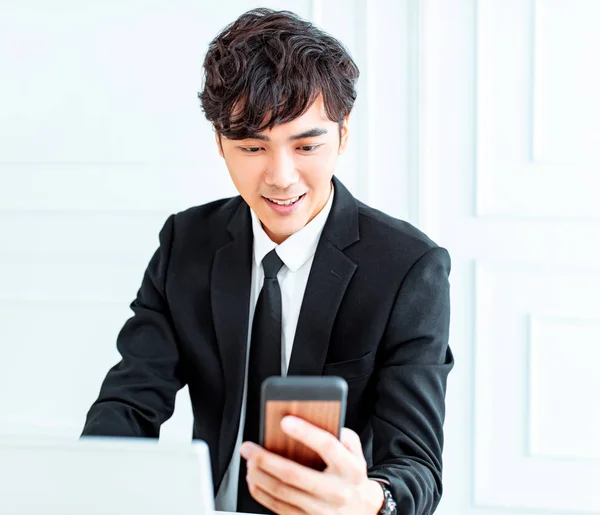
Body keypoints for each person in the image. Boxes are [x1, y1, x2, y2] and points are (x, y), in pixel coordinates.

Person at [82, 8, 453, 515]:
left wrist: (370, 499)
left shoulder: (410, 267)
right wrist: (91, 483)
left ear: (343, 135)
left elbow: (416, 466)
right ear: (220, 143)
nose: (281, 177)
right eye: (253, 146)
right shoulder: (185, 243)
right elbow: (129, 403)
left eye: (306, 145)